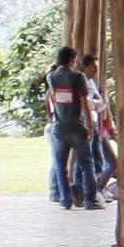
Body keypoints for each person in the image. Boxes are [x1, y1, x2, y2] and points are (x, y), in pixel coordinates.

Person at [43, 44, 91, 208]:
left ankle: (65, 200)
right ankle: (90, 199)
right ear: (72, 60)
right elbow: (85, 103)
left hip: (59, 127)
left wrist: (52, 118)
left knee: (59, 165)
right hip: (76, 126)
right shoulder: (78, 77)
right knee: (86, 164)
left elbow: (49, 100)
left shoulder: (51, 77)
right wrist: (90, 125)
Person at [78, 51, 116, 208]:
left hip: (97, 126)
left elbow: (98, 104)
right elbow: (93, 105)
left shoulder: (92, 83)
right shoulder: (83, 83)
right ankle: (93, 192)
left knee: (104, 162)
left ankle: (97, 190)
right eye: (93, 67)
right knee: (96, 162)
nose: (96, 70)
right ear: (85, 67)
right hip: (91, 127)